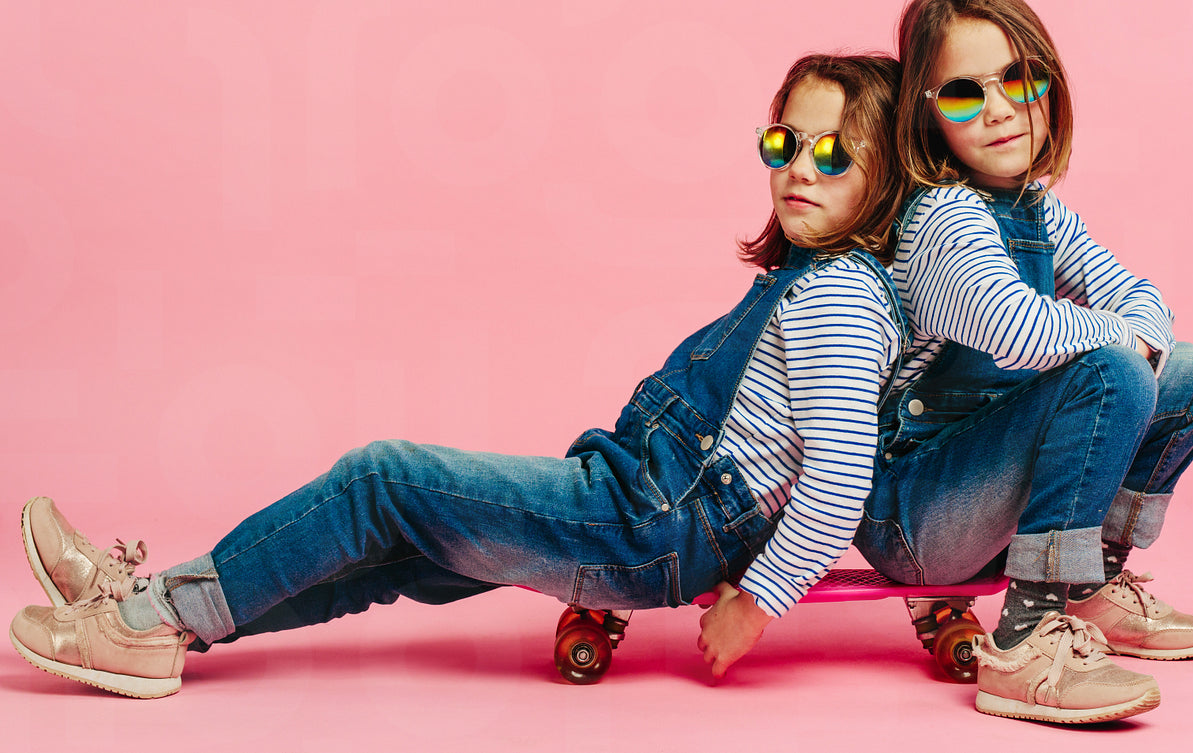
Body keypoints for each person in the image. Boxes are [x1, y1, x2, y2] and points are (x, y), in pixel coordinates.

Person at [10, 52, 909, 698]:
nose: (800, 167)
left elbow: (839, 478)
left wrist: (756, 603)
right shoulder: (811, 275)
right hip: (644, 503)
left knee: (382, 479)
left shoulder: (838, 297)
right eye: (785, 141)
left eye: (834, 154)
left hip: (652, 521)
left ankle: (147, 619)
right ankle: (152, 612)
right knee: (385, 547)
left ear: (887, 178)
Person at [853, 0, 1193, 725]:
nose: (999, 109)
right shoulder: (944, 216)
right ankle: (1025, 638)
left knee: (1190, 376)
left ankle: (1089, 584)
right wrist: (1123, 339)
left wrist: (1135, 336)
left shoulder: (1039, 209)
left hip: (984, 495)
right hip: (916, 511)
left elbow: (1145, 302)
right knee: (1114, 371)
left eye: (1020, 79)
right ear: (926, 115)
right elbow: (1015, 329)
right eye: (964, 93)